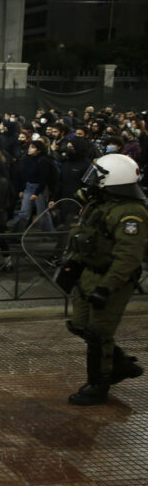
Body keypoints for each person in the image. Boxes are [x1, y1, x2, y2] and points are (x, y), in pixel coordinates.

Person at [63, 153, 146, 405]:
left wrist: (106, 288)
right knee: (79, 324)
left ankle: (99, 384)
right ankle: (120, 363)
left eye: (97, 177)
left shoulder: (130, 213)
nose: (91, 181)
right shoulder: (101, 203)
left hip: (112, 279)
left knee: (99, 333)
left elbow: (127, 257)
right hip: (89, 272)